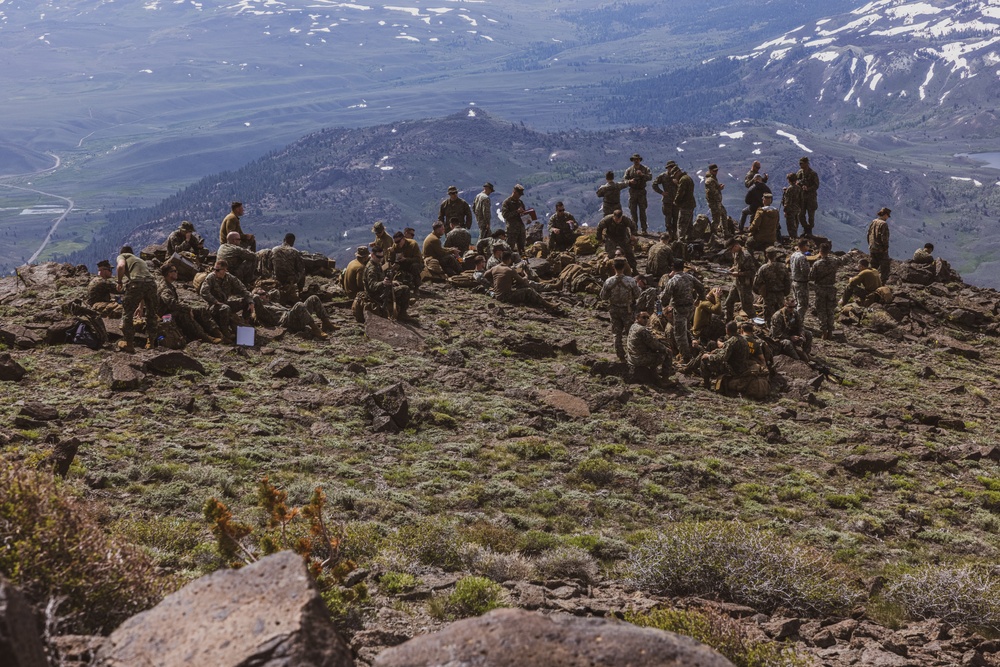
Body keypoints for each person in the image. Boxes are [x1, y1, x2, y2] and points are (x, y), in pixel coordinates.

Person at [482, 251, 564, 316]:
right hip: (505, 297)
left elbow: (485, 275)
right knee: (529, 290)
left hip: (497, 295)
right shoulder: (509, 270)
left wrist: (494, 283)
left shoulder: (495, 268)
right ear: (509, 259)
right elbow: (522, 281)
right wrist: (525, 275)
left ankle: (543, 294)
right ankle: (547, 304)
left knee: (523, 287)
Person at [157, 264, 222, 344]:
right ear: (169, 274)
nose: (177, 272)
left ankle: (217, 333)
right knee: (184, 313)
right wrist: (187, 308)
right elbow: (172, 304)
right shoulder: (165, 288)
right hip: (165, 316)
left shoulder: (169, 284)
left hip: (170, 312)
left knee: (200, 310)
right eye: (175, 271)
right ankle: (204, 337)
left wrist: (188, 308)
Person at [200, 260, 260, 340]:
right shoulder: (211, 278)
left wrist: (250, 301)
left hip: (225, 303)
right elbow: (203, 292)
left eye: (217, 270)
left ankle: (245, 322)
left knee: (247, 301)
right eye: (214, 269)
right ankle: (225, 332)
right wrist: (215, 301)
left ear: (224, 270)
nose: (215, 271)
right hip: (213, 306)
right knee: (225, 308)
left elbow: (242, 289)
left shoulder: (229, 277)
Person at [660, 258, 706, 363]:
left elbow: (664, 298)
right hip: (690, 308)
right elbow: (701, 287)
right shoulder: (690, 277)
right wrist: (699, 298)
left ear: (673, 268)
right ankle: (692, 347)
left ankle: (686, 357)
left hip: (679, 309)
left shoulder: (673, 281)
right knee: (686, 328)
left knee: (680, 335)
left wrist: (660, 298)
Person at [115, 246, 158, 353]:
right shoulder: (140, 260)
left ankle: (128, 343)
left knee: (127, 314)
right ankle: (150, 342)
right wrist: (140, 306)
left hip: (136, 285)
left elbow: (120, 266)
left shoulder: (123, 256)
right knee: (152, 314)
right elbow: (144, 286)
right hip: (151, 284)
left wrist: (119, 281)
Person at [600, 257, 641, 361]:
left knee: (616, 333)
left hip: (614, 309)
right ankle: (632, 354)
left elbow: (603, 296)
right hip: (627, 310)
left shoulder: (609, 281)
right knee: (630, 333)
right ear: (624, 267)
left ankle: (620, 354)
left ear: (613, 267)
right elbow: (637, 294)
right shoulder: (631, 281)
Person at [700, 321, 751, 389]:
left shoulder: (731, 341)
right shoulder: (743, 339)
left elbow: (722, 358)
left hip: (732, 370)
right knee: (710, 354)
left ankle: (705, 383)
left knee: (704, 360)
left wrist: (709, 356)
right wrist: (716, 351)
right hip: (742, 367)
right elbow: (728, 351)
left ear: (727, 330)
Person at [626, 311, 673, 384]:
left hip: (631, 356)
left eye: (648, 317)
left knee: (655, 351)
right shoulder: (642, 330)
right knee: (667, 353)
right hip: (638, 359)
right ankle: (665, 380)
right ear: (637, 318)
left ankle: (654, 374)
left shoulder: (633, 326)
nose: (646, 319)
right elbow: (654, 345)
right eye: (643, 317)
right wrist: (665, 348)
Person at [364, 246, 410, 320]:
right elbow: (372, 286)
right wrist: (383, 283)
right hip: (376, 294)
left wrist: (391, 282)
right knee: (405, 289)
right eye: (378, 257)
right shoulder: (371, 269)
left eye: (382, 256)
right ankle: (402, 314)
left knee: (400, 283)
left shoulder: (377, 264)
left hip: (381, 289)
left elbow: (381, 278)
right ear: (372, 255)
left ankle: (397, 308)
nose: (380, 259)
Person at [809, 241, 840, 340]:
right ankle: (831, 331)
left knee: (821, 310)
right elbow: (843, 260)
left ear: (820, 251)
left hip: (821, 288)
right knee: (830, 310)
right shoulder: (834, 261)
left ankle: (824, 331)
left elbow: (812, 277)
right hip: (831, 288)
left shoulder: (817, 264)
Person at [753, 248, 791, 324]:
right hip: (780, 294)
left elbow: (756, 282)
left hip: (768, 295)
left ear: (766, 255)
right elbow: (787, 281)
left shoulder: (763, 268)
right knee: (780, 314)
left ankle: (770, 330)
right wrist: (786, 292)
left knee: (768, 315)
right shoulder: (783, 267)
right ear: (775, 255)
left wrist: (760, 292)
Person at [769, 296, 812, 362]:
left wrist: (801, 333)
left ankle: (806, 354)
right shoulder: (778, 316)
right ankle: (797, 359)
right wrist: (790, 337)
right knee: (787, 343)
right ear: (785, 305)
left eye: (794, 306)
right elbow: (776, 333)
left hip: (790, 333)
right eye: (790, 307)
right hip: (779, 337)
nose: (792, 309)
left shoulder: (795, 313)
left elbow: (800, 325)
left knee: (808, 334)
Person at [724, 238, 758, 321]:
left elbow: (752, 272)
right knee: (729, 302)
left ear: (736, 246)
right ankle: (729, 321)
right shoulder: (736, 253)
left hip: (745, 284)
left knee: (747, 306)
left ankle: (755, 322)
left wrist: (739, 274)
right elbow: (737, 265)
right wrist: (732, 269)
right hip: (737, 283)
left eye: (731, 249)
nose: (730, 251)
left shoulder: (746, 256)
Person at [271, 233, 306, 305]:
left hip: (276, 278)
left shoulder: (274, 250)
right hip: (289, 279)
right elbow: (300, 268)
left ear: (284, 240)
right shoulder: (294, 251)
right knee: (303, 271)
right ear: (293, 242)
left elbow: (270, 264)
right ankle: (300, 292)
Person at [625, 153, 652, 234]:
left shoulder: (645, 168)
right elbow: (624, 180)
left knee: (642, 211)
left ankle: (644, 229)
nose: (636, 161)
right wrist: (630, 181)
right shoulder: (629, 170)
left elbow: (650, 177)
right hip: (633, 192)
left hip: (641, 192)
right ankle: (634, 229)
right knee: (633, 211)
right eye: (634, 159)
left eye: (637, 159)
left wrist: (642, 175)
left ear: (640, 160)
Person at [651, 161, 679, 239]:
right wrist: (661, 192)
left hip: (676, 201)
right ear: (668, 168)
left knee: (676, 218)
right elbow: (654, 184)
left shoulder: (677, 176)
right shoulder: (663, 176)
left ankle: (675, 235)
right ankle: (669, 234)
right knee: (668, 218)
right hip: (667, 201)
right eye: (671, 167)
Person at [789, 238, 811, 323]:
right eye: (808, 245)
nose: (808, 247)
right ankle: (797, 322)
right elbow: (805, 271)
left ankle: (793, 319)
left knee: (796, 303)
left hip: (794, 281)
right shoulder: (802, 257)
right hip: (802, 283)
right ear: (804, 246)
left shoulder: (793, 255)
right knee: (802, 305)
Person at [796, 157, 820, 237]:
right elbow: (796, 181)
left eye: (802, 163)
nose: (800, 165)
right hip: (802, 197)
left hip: (811, 198)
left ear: (806, 163)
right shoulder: (799, 173)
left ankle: (809, 230)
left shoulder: (813, 174)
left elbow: (816, 185)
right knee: (801, 215)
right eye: (800, 163)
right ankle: (805, 228)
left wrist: (808, 189)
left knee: (811, 216)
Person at [867, 207, 891, 285]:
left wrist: (870, 244)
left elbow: (868, 234)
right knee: (885, 268)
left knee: (873, 267)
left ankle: (869, 283)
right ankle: (882, 284)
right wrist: (885, 247)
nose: (887, 217)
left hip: (872, 248)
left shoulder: (873, 222)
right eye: (888, 215)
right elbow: (884, 237)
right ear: (885, 215)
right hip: (881, 249)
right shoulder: (883, 224)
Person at [501, 184, 528, 254]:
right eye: (519, 194)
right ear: (514, 192)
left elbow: (524, 214)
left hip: (521, 229)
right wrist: (516, 212)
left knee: (522, 249)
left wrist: (527, 218)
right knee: (509, 249)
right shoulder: (507, 202)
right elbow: (505, 215)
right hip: (511, 230)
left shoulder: (520, 202)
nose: (519, 196)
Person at [704, 163, 728, 240]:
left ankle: (725, 233)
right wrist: (719, 188)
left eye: (717, 170)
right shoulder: (709, 180)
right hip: (714, 202)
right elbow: (712, 192)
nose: (716, 172)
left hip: (717, 202)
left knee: (723, 214)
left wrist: (718, 187)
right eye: (714, 171)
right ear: (710, 171)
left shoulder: (713, 178)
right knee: (716, 218)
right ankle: (713, 234)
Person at [673, 168, 696, 242]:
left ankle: (681, 241)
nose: (674, 177)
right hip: (691, 204)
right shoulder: (688, 178)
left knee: (681, 224)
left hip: (685, 205)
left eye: (675, 175)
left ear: (678, 172)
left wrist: (676, 201)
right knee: (689, 224)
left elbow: (680, 193)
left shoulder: (683, 180)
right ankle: (690, 239)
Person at [781, 173, 803, 239]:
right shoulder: (799, 188)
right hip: (797, 209)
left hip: (790, 210)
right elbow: (801, 199)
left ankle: (793, 239)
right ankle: (795, 238)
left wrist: (785, 211)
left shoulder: (789, 189)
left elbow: (787, 202)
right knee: (796, 224)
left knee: (790, 226)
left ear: (789, 180)